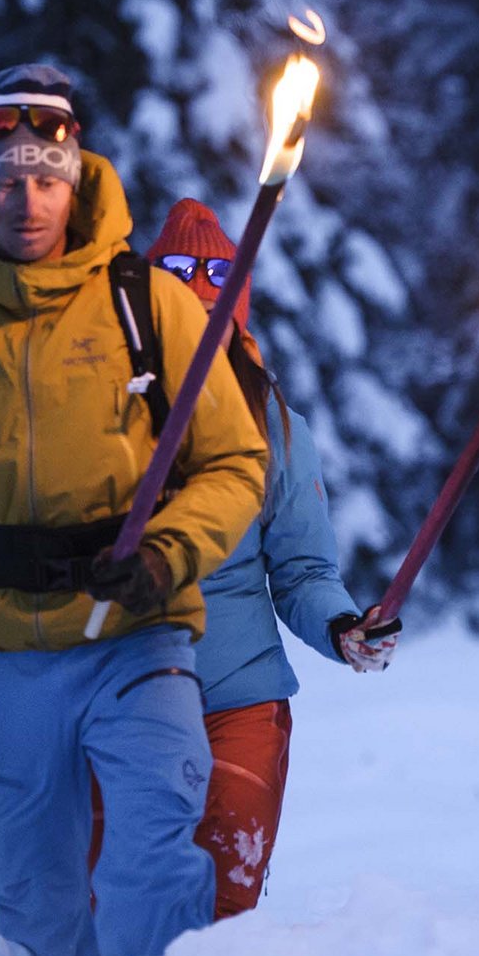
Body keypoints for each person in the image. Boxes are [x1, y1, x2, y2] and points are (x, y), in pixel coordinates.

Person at [0, 65, 268, 956]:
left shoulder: (147, 303)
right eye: (4, 179)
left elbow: (236, 464)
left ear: (75, 177)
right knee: (35, 898)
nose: (26, 200)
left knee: (153, 852)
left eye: (45, 177)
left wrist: (166, 554)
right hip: (3, 658)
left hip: (139, 637)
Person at [86, 198, 400, 919]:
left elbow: (303, 572)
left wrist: (342, 629)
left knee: (222, 915)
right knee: (115, 911)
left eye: (212, 308)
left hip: (240, 703)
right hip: (120, 700)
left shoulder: (276, 425)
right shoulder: (98, 413)